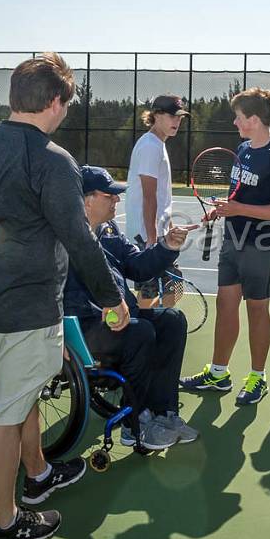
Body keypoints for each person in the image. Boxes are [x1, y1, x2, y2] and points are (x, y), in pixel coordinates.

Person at [0, 52, 130, 539]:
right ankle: (4, 526)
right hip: (24, 311)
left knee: (24, 393)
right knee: (4, 417)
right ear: (54, 101)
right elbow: (80, 240)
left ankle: (38, 473)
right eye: (67, 103)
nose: (66, 112)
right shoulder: (52, 160)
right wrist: (113, 300)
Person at [64, 165, 200, 450]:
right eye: (109, 195)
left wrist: (167, 246)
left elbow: (137, 266)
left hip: (117, 319)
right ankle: (134, 424)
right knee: (141, 332)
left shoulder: (108, 230)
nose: (116, 200)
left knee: (172, 320)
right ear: (87, 200)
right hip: (86, 327)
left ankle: (164, 413)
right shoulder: (64, 238)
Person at [180, 88, 270, 405]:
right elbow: (239, 195)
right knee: (225, 302)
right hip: (233, 240)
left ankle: (257, 377)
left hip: (263, 245)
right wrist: (222, 208)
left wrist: (241, 210)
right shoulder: (243, 150)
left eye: (239, 117)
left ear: (255, 120)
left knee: (257, 308)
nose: (235, 122)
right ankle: (219, 372)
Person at [124, 94, 189, 304]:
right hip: (146, 235)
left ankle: (157, 322)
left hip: (155, 233)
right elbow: (149, 196)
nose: (177, 122)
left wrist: (168, 225)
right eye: (173, 116)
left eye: (180, 117)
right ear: (157, 115)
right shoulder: (151, 147)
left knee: (173, 284)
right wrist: (151, 239)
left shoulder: (156, 143)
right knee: (149, 291)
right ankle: (145, 330)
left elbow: (160, 196)